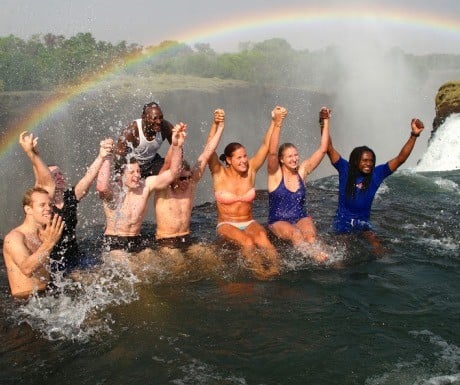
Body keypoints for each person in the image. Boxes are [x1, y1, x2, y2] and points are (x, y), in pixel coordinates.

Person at [207, 106, 286, 280]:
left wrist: (275, 121)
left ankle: (276, 271)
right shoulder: (218, 173)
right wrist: (216, 123)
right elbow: (209, 149)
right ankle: (260, 272)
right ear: (228, 160)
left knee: (264, 239)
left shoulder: (251, 170)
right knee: (247, 242)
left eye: (245, 156)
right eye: (239, 158)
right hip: (226, 224)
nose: (244, 161)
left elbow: (266, 146)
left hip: (248, 221)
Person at [324, 116, 425, 251]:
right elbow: (329, 148)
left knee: (378, 248)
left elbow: (400, 159)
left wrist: (414, 135)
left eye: (371, 161)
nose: (369, 164)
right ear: (355, 161)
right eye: (364, 161)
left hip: (363, 224)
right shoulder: (345, 170)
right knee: (341, 251)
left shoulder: (376, 174)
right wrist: (323, 123)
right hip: (343, 223)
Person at [20, 131, 115, 273]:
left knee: (105, 272)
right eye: (53, 175)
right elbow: (40, 178)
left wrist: (101, 156)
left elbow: (88, 178)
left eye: (60, 174)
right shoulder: (43, 204)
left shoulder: (71, 196)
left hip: (74, 255)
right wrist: (33, 154)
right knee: (80, 278)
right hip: (52, 258)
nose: (58, 177)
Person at [97, 123, 186, 254]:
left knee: (150, 257)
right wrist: (106, 157)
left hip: (136, 239)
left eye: (138, 171)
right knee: (126, 263)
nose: (137, 176)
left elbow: (174, 173)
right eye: (132, 172)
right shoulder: (115, 191)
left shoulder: (145, 186)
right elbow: (102, 188)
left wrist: (177, 146)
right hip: (115, 242)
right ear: (121, 174)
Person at [154, 109, 226, 250]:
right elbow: (168, 164)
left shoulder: (191, 183)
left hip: (186, 237)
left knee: (209, 257)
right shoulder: (163, 189)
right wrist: (176, 144)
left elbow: (207, 153)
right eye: (182, 178)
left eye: (188, 176)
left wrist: (220, 126)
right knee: (178, 264)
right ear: (173, 177)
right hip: (166, 241)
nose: (186, 181)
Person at [267, 107, 331, 262]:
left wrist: (326, 121)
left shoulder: (302, 171)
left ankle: (319, 255)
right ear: (281, 160)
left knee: (310, 236)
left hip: (300, 216)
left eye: (296, 155)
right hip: (278, 220)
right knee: (296, 234)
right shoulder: (275, 175)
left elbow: (323, 150)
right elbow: (272, 152)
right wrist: (278, 123)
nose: (294, 159)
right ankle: (315, 255)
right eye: (289, 156)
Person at [2, 187, 64, 298]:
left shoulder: (43, 235)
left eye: (50, 205)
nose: (48, 208)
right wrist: (49, 243)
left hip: (47, 295)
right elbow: (27, 269)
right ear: (28, 209)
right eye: (42, 205)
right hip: (25, 303)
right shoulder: (14, 238)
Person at [115, 102, 174, 178]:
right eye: (155, 118)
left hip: (153, 162)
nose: (159, 121)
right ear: (144, 118)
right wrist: (119, 177)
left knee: (175, 172)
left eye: (161, 117)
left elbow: (177, 148)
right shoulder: (132, 130)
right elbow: (118, 154)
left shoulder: (165, 127)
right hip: (134, 164)